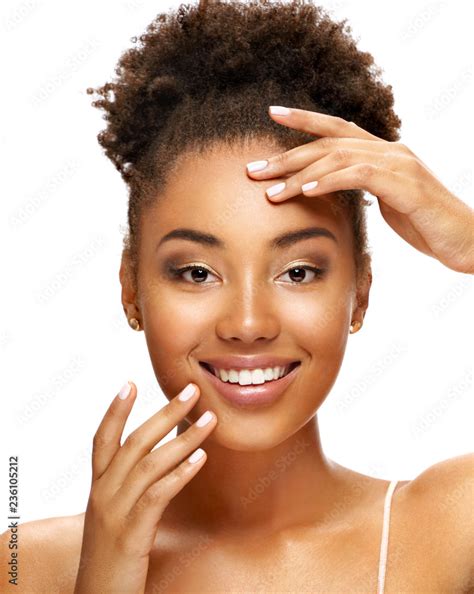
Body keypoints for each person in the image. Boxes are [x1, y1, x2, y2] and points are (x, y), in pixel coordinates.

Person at [2, 1, 473, 592]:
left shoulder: (451, 529)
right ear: (131, 289)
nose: (248, 323)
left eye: (298, 272)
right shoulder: (27, 564)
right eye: (197, 273)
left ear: (360, 293)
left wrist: (470, 240)